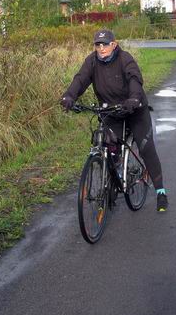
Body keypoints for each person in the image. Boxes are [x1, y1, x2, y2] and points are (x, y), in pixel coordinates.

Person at [61, 30, 168, 212]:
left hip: (134, 108)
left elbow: (134, 78)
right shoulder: (92, 61)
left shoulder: (124, 58)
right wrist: (69, 96)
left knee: (145, 147)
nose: (101, 48)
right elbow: (80, 79)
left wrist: (134, 99)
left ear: (114, 44)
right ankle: (113, 177)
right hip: (111, 110)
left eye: (105, 44)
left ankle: (160, 192)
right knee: (108, 145)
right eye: (98, 45)